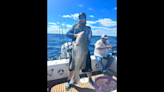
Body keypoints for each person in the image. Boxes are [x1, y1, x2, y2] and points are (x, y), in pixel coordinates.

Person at [65, 12, 94, 91]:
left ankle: (90, 79)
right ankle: (69, 81)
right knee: (72, 66)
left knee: (88, 67)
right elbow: (67, 34)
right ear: (78, 19)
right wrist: (76, 35)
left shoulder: (88, 28)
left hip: (84, 50)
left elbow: (89, 40)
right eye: (80, 18)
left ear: (85, 20)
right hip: (74, 50)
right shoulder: (74, 26)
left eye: (83, 18)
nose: (81, 19)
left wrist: (84, 47)